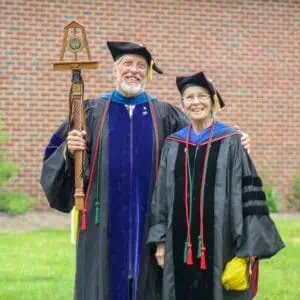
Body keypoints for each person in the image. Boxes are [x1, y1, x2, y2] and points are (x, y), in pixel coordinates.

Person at [40, 42, 250, 300]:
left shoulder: (164, 114)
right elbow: (54, 152)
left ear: (148, 73)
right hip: (101, 219)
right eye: (127, 64)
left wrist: (232, 141)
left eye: (141, 66)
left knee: (151, 285)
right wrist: (69, 150)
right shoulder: (91, 112)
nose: (134, 71)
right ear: (114, 71)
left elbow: (198, 138)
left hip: (151, 219)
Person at [148, 72, 284, 300]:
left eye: (202, 96)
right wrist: (160, 242)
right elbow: (160, 198)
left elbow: (248, 195)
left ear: (213, 101)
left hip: (224, 243)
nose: (196, 102)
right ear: (182, 105)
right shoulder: (173, 144)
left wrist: (248, 247)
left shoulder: (231, 141)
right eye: (189, 97)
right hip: (179, 245)